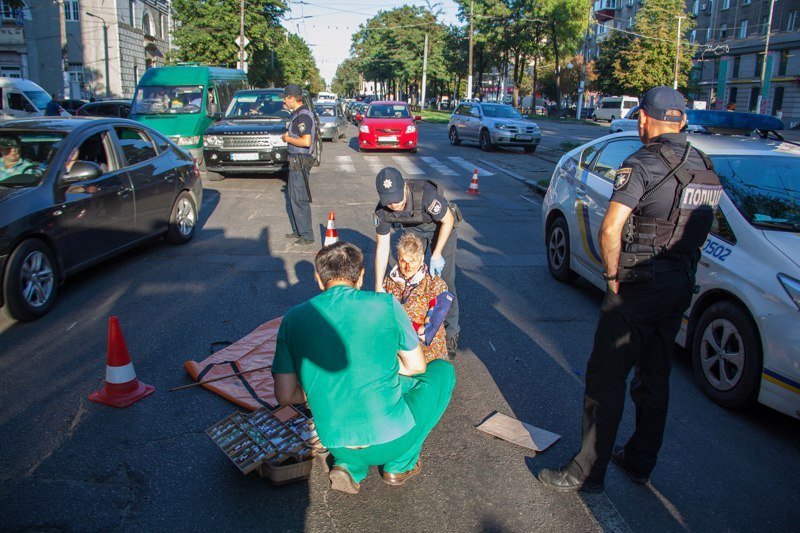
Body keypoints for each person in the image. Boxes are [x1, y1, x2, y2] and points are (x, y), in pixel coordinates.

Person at [537, 86, 723, 493]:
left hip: (638, 284)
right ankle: (640, 462)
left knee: (605, 378)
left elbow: (610, 228)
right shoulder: (704, 164)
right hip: (679, 284)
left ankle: (586, 472)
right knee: (655, 374)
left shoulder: (642, 162)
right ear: (683, 121)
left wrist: (611, 277)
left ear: (643, 118)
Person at [272, 241, 456, 494]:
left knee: (359, 394)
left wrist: (322, 385)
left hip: (335, 441)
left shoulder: (292, 318)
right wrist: (379, 368)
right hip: (391, 439)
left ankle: (349, 466)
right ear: (360, 277)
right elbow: (416, 367)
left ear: (318, 278)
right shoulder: (387, 304)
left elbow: (284, 395)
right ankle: (399, 465)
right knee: (443, 373)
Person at [373, 167, 461, 357]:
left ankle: (451, 333)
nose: (394, 205)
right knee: (410, 279)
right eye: (389, 202)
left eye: (397, 200)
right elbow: (382, 247)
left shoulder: (426, 196)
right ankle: (416, 328)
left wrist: (436, 254)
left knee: (444, 283)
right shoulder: (382, 211)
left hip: (441, 228)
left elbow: (448, 220)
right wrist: (378, 285)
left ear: (404, 187)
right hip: (414, 232)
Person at [384, 233, 449, 362]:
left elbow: (430, 327)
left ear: (421, 258)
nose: (407, 267)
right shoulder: (389, 281)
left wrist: (409, 325)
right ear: (398, 257)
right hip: (398, 350)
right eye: (403, 261)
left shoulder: (434, 283)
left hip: (428, 353)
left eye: (412, 261)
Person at [280, 84, 316, 245]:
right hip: (295, 161)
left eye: (285, 98)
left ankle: (307, 235)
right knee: (294, 196)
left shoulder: (302, 116)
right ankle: (298, 230)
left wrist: (287, 139)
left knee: (299, 198)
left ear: (292, 99)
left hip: (300, 161)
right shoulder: (298, 114)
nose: (284, 101)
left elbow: (306, 141)